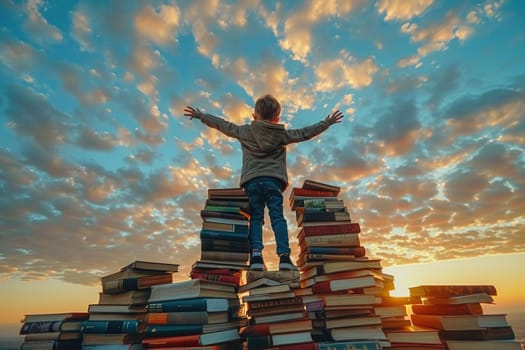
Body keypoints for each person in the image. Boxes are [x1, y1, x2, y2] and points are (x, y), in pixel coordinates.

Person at [183, 94, 343, 271]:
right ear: (277, 118)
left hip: (252, 181)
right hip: (273, 181)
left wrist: (201, 116)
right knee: (277, 218)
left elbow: (223, 125)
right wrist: (326, 123)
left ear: (254, 116)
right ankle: (284, 258)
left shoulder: (244, 131)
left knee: (256, 219)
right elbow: (305, 133)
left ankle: (256, 257)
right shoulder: (281, 134)